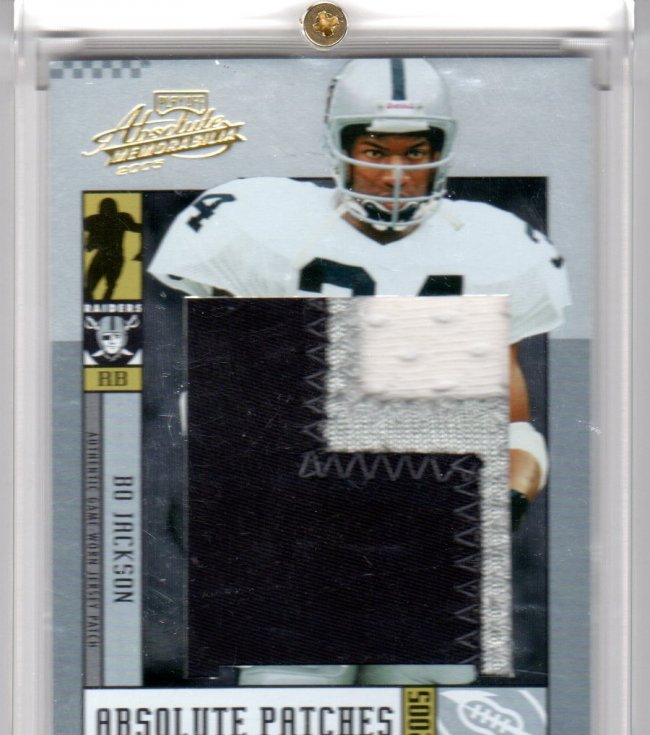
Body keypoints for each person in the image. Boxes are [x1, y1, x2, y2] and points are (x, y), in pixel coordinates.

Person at [149, 58, 570, 687]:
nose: (396, 173)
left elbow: (514, 429)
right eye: (375, 150)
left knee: (420, 723)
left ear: (443, 150)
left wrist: (502, 497)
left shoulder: (493, 244)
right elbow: (212, 395)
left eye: (415, 151)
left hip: (422, 530)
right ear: (338, 145)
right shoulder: (261, 224)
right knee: (292, 715)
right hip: (296, 528)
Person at [84, 197, 142, 301]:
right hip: (107, 256)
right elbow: (138, 228)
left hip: (112, 257)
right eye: (105, 208)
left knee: (107, 286)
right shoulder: (101, 219)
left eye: (108, 208)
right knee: (94, 287)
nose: (107, 212)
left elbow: (138, 228)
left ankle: (100, 302)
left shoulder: (119, 219)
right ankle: (96, 302)